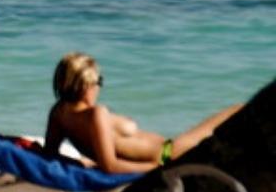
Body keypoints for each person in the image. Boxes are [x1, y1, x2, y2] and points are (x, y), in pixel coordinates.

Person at [44, 52, 240, 173]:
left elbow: (50, 154)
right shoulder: (97, 114)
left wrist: (80, 164)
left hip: (167, 151)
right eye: (98, 82)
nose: (99, 88)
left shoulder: (59, 113)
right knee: (235, 111)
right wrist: (154, 168)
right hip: (167, 155)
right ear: (85, 86)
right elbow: (110, 166)